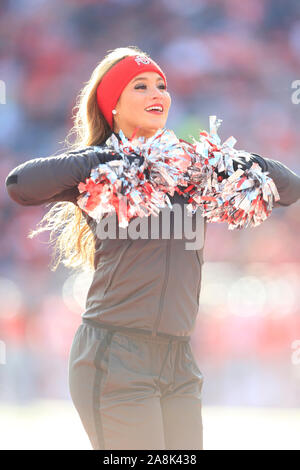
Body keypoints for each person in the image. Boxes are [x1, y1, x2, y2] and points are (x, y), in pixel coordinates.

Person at [5, 46, 300, 450]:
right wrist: (109, 157)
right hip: (115, 357)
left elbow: (290, 188)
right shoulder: (104, 172)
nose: (156, 93)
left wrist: (229, 162)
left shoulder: (191, 172)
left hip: (179, 361)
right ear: (113, 105)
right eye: (139, 86)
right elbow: (20, 185)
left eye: (161, 85)